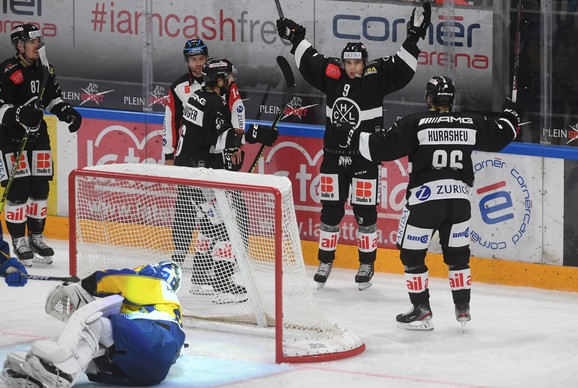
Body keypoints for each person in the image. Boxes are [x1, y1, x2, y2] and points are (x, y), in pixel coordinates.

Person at [329, 76, 520, 330]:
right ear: (451, 99)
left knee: (412, 255)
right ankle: (462, 308)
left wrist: (348, 131)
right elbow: (502, 134)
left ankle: (421, 310)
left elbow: (379, 149)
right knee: (458, 257)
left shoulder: (416, 123)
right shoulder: (471, 122)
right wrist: (511, 113)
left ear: (429, 98)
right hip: (459, 202)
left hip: (424, 203)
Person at [276, 2, 431, 290]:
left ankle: (366, 263)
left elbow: (401, 66)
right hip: (334, 158)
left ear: (364, 62)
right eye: (348, 63)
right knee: (331, 212)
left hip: (364, 159)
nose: (351, 68)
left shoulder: (376, 76)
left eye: (356, 63)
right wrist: (296, 36)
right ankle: (325, 261)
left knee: (365, 214)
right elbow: (311, 60)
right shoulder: (332, 74)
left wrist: (414, 35)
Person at [172, 58, 277, 301]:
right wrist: (255, 134)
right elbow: (218, 140)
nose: (232, 80)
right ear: (219, 80)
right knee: (226, 227)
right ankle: (221, 283)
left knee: (210, 227)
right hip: (199, 177)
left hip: (189, 174)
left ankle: (199, 278)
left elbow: (208, 137)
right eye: (229, 77)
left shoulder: (198, 96)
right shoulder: (214, 105)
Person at [1, 261, 185, 387]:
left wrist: (86, 282)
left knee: (94, 325)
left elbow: (113, 280)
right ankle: (37, 376)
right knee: (99, 345)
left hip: (150, 340)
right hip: (151, 374)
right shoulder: (169, 307)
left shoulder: (157, 284)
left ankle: (60, 373)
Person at [0, 24, 82, 266]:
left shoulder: (46, 68)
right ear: (19, 45)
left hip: (38, 137)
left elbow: (52, 98)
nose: (38, 45)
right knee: (18, 190)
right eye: (32, 41)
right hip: (11, 138)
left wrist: (67, 112)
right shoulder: (7, 70)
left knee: (40, 189)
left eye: (39, 40)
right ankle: (18, 239)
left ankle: (35, 237)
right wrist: (19, 114)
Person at [162, 38, 246, 165]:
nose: (198, 64)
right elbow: (171, 122)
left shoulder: (224, 82)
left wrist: (236, 144)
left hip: (219, 149)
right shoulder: (178, 87)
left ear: (207, 58)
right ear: (186, 62)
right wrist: (168, 154)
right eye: (193, 60)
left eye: (201, 58)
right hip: (193, 151)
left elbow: (237, 110)